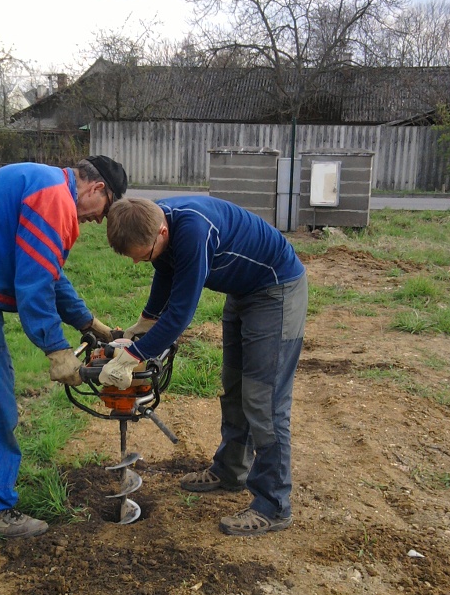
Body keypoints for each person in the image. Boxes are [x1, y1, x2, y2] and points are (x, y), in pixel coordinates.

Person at [0, 156, 127, 540]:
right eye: (106, 209)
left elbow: (49, 274)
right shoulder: (54, 199)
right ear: (96, 189)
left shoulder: (48, 184)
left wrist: (88, 323)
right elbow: (33, 287)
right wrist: (57, 351)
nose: (98, 220)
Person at [102, 196, 307, 537]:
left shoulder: (194, 230)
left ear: (163, 231)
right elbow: (165, 272)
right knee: (235, 387)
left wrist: (133, 356)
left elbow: (180, 314)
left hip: (276, 291)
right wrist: (145, 324)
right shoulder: (152, 219)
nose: (141, 263)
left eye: (145, 255)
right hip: (243, 291)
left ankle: (274, 504)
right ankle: (230, 470)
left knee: (264, 400)